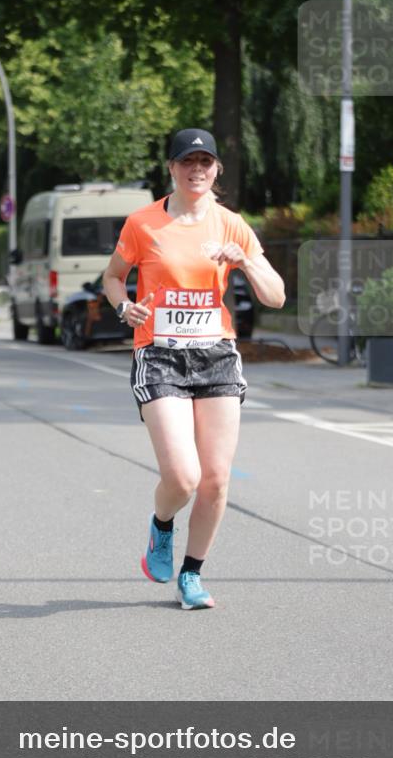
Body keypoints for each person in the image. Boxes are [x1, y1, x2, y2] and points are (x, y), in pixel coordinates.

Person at [103, 128, 285, 610]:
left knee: (216, 479)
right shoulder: (143, 224)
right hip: (159, 354)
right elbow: (113, 278)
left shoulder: (231, 224)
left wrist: (245, 260)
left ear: (217, 169)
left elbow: (277, 295)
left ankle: (192, 574)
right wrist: (124, 308)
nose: (197, 169)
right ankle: (162, 526)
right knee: (183, 477)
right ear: (172, 168)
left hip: (217, 355)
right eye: (188, 161)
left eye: (206, 161)